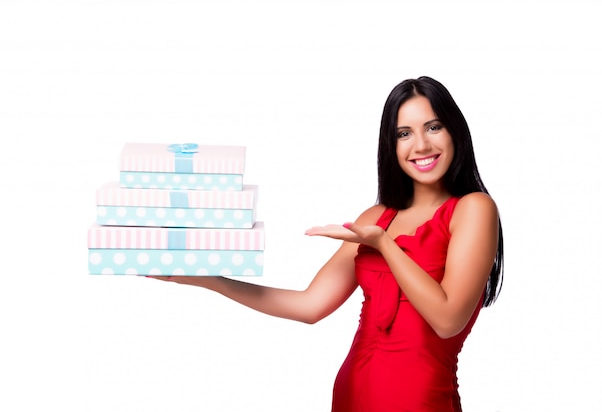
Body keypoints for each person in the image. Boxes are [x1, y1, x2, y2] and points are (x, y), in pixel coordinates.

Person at [151, 76, 504, 411]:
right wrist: (204, 278)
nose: (421, 145)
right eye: (404, 133)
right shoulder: (376, 216)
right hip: (353, 395)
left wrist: (383, 244)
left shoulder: (473, 209)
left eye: (434, 127)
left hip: (421, 401)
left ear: (455, 131)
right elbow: (309, 306)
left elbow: (447, 320)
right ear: (390, 144)